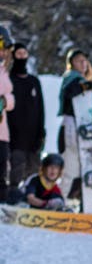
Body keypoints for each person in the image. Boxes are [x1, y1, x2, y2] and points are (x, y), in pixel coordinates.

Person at [58, 48, 92, 199]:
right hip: (71, 125)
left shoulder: (88, 83)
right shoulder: (71, 78)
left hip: (86, 126)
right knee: (71, 167)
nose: (83, 63)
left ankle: (81, 202)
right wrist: (84, 86)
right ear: (71, 64)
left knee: (86, 167)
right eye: (78, 60)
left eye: (84, 60)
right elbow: (70, 91)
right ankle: (60, 200)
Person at [7, 40, 45, 195]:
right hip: (14, 136)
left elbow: (41, 109)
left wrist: (41, 133)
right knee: (16, 169)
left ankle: (31, 199)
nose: (22, 57)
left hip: (33, 136)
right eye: (18, 54)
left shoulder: (33, 81)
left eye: (24, 53)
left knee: (33, 172)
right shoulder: (8, 81)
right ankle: (11, 197)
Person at [0, 26, 14, 203]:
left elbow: (10, 98)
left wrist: (5, 101)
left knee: (2, 169)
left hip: (2, 131)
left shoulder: (4, 71)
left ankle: (1, 206)